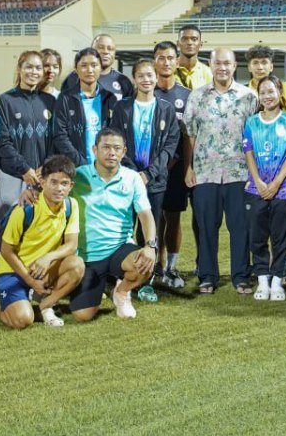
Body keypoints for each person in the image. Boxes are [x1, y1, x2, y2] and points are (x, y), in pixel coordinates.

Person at [184, 48, 257, 295]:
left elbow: (255, 135)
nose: (222, 67)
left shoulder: (249, 97)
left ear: (235, 66)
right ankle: (207, 276)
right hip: (205, 172)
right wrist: (189, 167)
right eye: (218, 63)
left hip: (240, 173)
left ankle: (241, 276)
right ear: (211, 65)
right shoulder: (197, 96)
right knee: (206, 228)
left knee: (240, 228)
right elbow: (190, 134)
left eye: (227, 63)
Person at [70, 128, 158, 321]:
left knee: (144, 262)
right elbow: (53, 192)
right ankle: (103, 285)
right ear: (95, 149)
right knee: (82, 315)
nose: (111, 153)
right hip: (88, 255)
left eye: (117, 148)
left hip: (120, 248)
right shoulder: (78, 176)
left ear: (124, 151)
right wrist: (32, 191)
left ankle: (122, 291)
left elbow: (145, 214)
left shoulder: (132, 178)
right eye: (106, 147)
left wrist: (150, 246)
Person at [110, 58, 179, 301]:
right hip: (126, 180)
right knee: (124, 228)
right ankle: (121, 276)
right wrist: (133, 173)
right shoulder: (122, 108)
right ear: (134, 79)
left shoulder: (166, 109)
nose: (146, 80)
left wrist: (149, 174)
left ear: (156, 78)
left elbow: (170, 145)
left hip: (155, 182)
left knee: (151, 231)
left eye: (150, 75)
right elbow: (117, 142)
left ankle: (146, 281)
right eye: (141, 75)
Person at [0, 154, 84, 329]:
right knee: (22, 321)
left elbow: (71, 245)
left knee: (77, 265)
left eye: (64, 183)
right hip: (14, 271)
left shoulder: (71, 205)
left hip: (43, 268)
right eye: (53, 182)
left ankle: (44, 306)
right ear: (42, 182)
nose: (59, 188)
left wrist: (48, 257)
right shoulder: (26, 208)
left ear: (71, 186)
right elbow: (6, 250)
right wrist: (30, 281)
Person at [243, 75, 286, 302]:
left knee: (280, 238)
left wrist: (276, 184)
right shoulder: (251, 123)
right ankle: (262, 279)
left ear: (280, 93)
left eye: (271, 91)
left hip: (283, 190)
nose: (267, 96)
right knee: (257, 237)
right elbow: (249, 154)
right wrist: (258, 181)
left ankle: (277, 280)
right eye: (263, 92)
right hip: (256, 189)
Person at [0, 50, 56, 217]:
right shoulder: (5, 100)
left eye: (38, 68)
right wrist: (24, 169)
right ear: (19, 69)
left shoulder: (50, 101)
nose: (33, 72)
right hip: (13, 176)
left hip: (42, 177)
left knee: (40, 224)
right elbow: (2, 141)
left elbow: (55, 140)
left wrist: (46, 167)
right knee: (9, 224)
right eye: (29, 67)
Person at [152, 41, 192, 288]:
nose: (166, 62)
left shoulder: (187, 96)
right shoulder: (146, 91)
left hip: (176, 168)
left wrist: (186, 167)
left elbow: (189, 136)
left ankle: (172, 267)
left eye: (170, 58)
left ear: (177, 62)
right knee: (151, 218)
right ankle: (155, 264)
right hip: (151, 169)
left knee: (173, 218)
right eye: (161, 58)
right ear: (154, 61)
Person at [54, 47, 116, 167]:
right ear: (76, 69)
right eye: (84, 65)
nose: (89, 70)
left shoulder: (110, 98)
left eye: (94, 65)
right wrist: (81, 164)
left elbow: (115, 134)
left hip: (105, 168)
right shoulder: (65, 98)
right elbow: (60, 136)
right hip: (76, 168)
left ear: (100, 68)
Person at [61, 33, 134, 101]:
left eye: (110, 49)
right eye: (101, 47)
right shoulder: (74, 77)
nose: (105, 52)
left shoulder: (123, 81)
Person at [175, 24, 214, 90]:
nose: (189, 43)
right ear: (178, 44)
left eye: (194, 39)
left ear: (200, 44)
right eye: (184, 39)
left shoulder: (209, 73)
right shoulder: (169, 69)